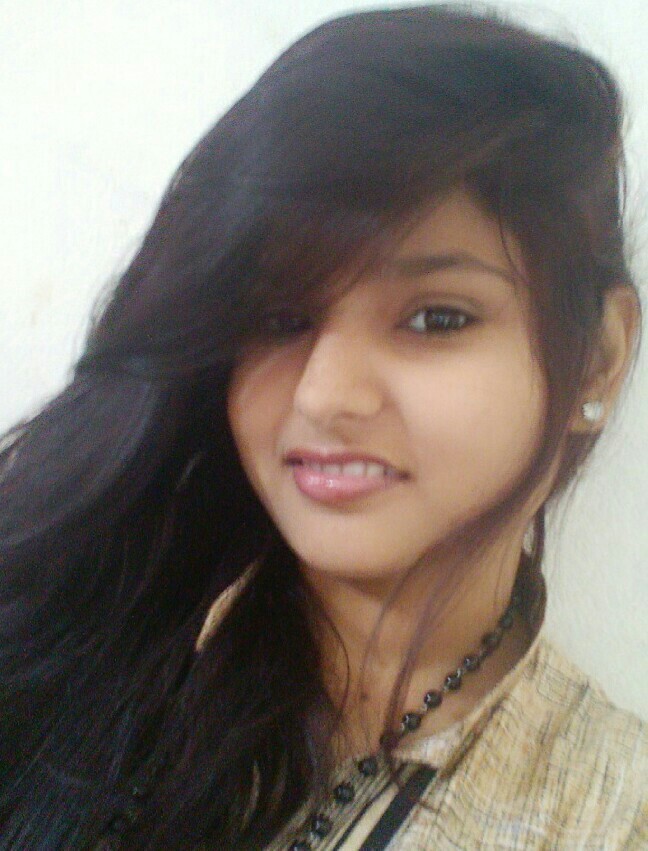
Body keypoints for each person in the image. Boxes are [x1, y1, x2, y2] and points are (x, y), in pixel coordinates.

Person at [0, 4, 645, 849]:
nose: (324, 394)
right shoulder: (67, 612)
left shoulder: (615, 811)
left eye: (437, 318)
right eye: (279, 318)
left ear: (598, 356)